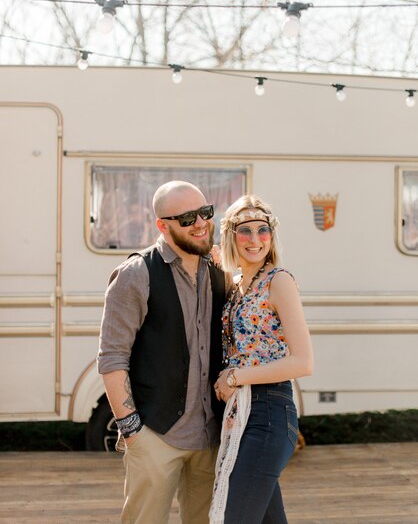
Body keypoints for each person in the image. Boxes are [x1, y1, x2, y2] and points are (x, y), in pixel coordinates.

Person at [97, 181, 229, 524]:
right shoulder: (135, 274)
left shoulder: (219, 269)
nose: (201, 223)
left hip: (211, 436)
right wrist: (132, 431)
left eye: (205, 212)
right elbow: (112, 357)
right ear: (162, 225)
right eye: (187, 218)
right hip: (156, 435)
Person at [210, 194, 313, 524]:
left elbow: (303, 362)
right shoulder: (238, 284)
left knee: (234, 517)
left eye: (262, 230)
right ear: (231, 235)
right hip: (241, 413)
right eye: (245, 231)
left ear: (272, 234)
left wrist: (234, 377)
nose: (255, 240)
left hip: (269, 413)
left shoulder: (278, 280)